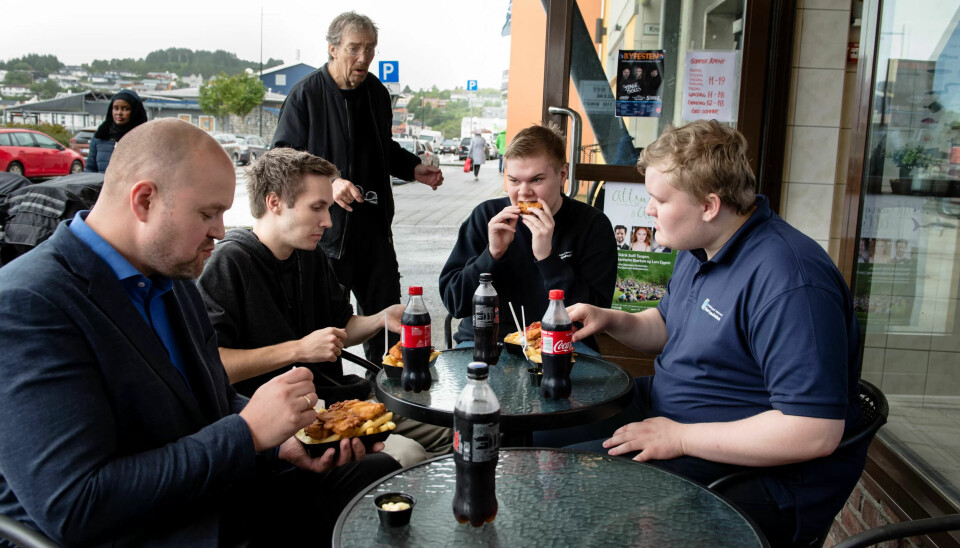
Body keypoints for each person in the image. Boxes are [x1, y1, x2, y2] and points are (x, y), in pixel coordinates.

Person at [0, 119, 400, 547]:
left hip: (211, 494)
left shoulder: (172, 277)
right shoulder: (29, 303)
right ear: (145, 200)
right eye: (208, 213)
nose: (221, 232)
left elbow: (213, 397)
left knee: (374, 476)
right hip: (146, 530)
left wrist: (285, 438)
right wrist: (248, 433)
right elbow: (76, 504)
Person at [562, 120, 867, 547]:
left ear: (709, 204)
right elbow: (667, 328)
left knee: (563, 488)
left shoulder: (790, 282)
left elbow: (813, 430)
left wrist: (681, 436)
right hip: (676, 420)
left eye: (659, 199)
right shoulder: (702, 245)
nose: (648, 210)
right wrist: (612, 318)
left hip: (758, 480)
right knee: (543, 438)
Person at [197, 147, 450, 462]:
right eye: (317, 208)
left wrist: (379, 319)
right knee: (409, 454)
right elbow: (213, 367)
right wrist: (299, 349)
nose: (329, 221)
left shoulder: (310, 254)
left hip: (342, 402)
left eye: (328, 208)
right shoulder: (229, 262)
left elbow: (341, 326)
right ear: (274, 202)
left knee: (458, 428)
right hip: (284, 426)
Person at [272, 11, 444, 364]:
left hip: (374, 232)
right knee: (327, 328)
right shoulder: (306, 95)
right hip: (326, 238)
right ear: (333, 49)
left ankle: (386, 393)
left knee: (386, 323)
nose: (363, 58)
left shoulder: (377, 94)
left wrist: (414, 168)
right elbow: (280, 158)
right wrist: (329, 181)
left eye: (370, 49)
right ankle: (332, 398)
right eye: (354, 48)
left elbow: (384, 148)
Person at [440, 123, 617, 352]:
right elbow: (456, 303)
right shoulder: (486, 217)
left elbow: (593, 317)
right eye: (514, 181)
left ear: (562, 174)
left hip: (563, 342)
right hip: (488, 341)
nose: (523, 192)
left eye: (536, 180)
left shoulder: (593, 225)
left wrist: (547, 258)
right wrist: (492, 254)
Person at [84, 90, 148, 173]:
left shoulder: (144, 138)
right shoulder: (101, 135)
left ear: (135, 111)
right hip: (101, 185)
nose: (119, 113)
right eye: (116, 108)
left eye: (125, 109)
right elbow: (90, 169)